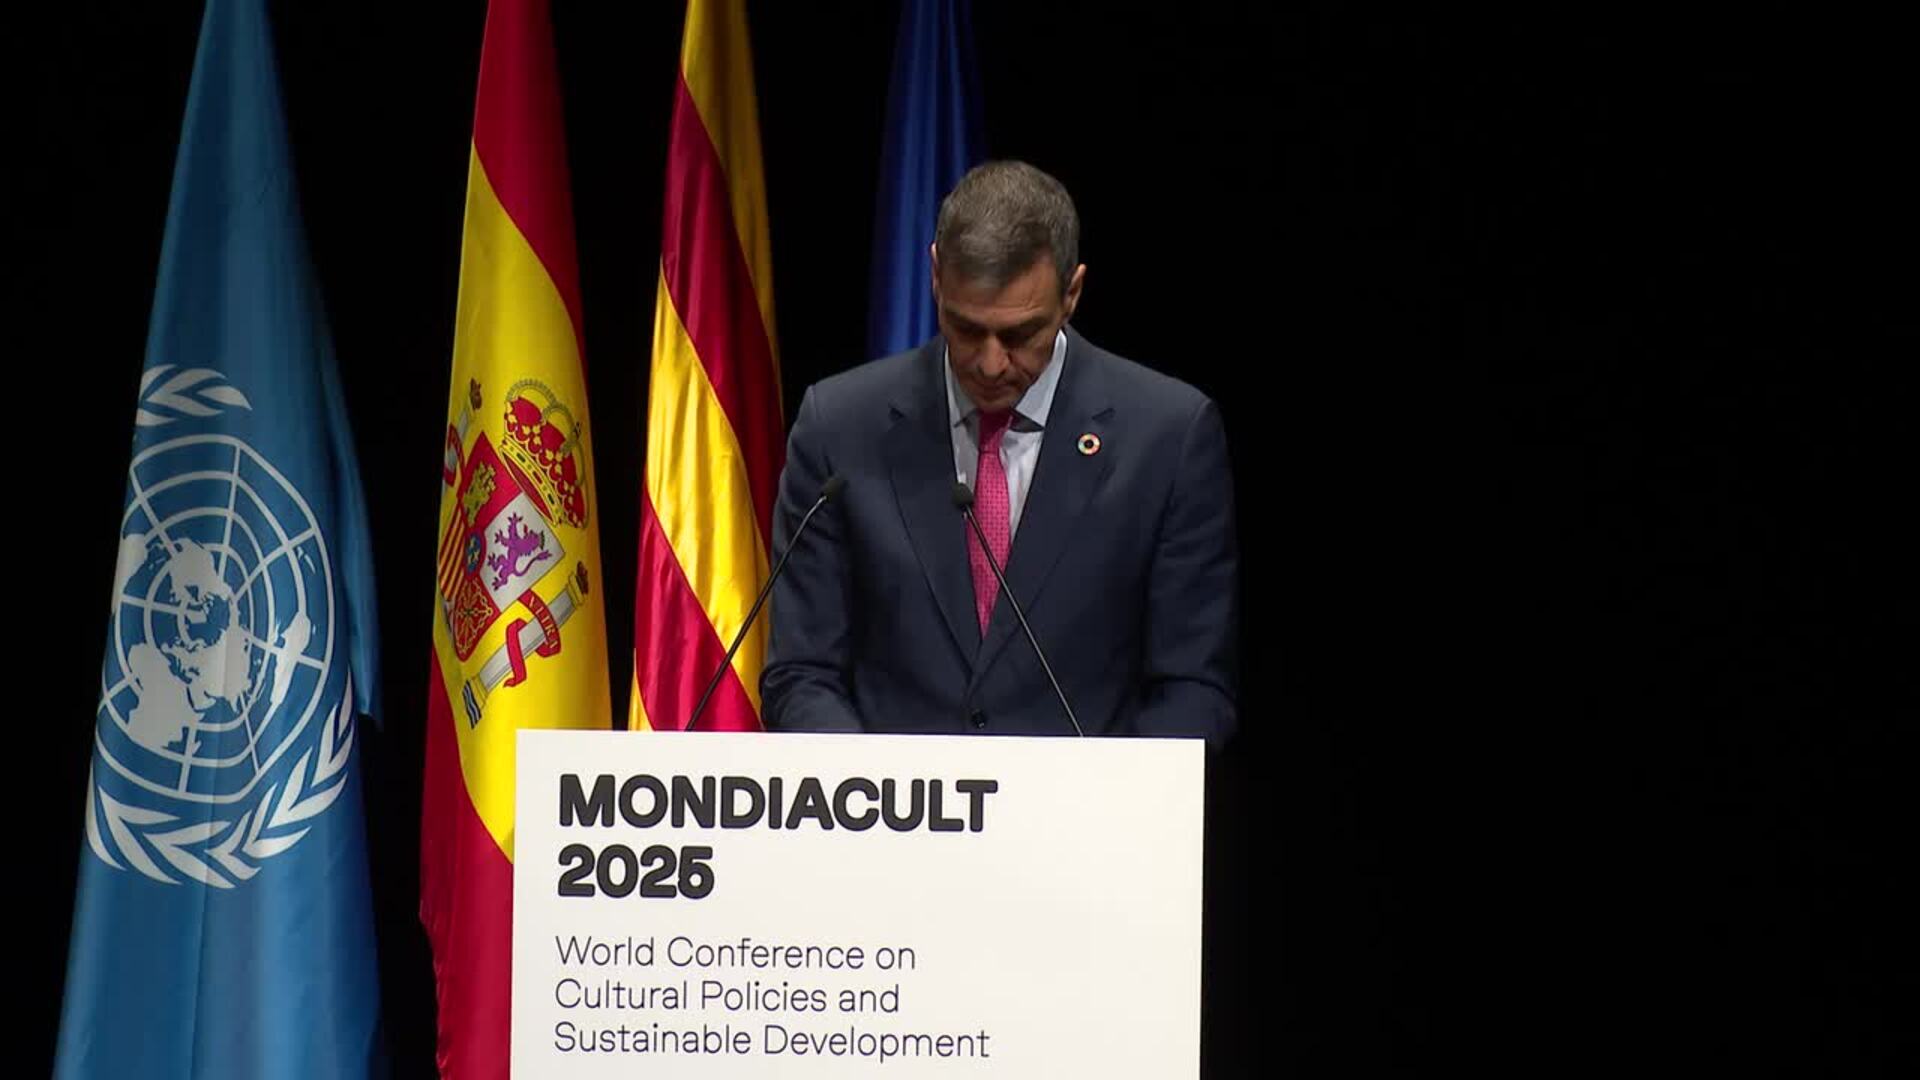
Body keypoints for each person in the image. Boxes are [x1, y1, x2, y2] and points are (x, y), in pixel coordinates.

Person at [762, 160, 1238, 746]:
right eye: (966, 329)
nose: (990, 364)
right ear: (936, 276)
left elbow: (1193, 688)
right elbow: (801, 674)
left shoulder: (1167, 437)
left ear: (1072, 293)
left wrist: (1106, 795)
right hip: (892, 801)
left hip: (1084, 802)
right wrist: (877, 789)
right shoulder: (838, 427)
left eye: (1019, 336)